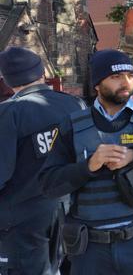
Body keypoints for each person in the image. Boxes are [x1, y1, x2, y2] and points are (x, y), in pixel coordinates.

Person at [39, 49, 133, 275]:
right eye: (115, 77)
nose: (125, 82)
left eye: (128, 75)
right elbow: (49, 184)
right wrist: (89, 166)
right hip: (90, 250)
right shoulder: (71, 126)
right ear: (97, 84)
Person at [0, 47, 86, 275]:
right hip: (67, 210)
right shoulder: (74, 104)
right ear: (41, 72)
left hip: (21, 220)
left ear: (7, 80)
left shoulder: (9, 113)